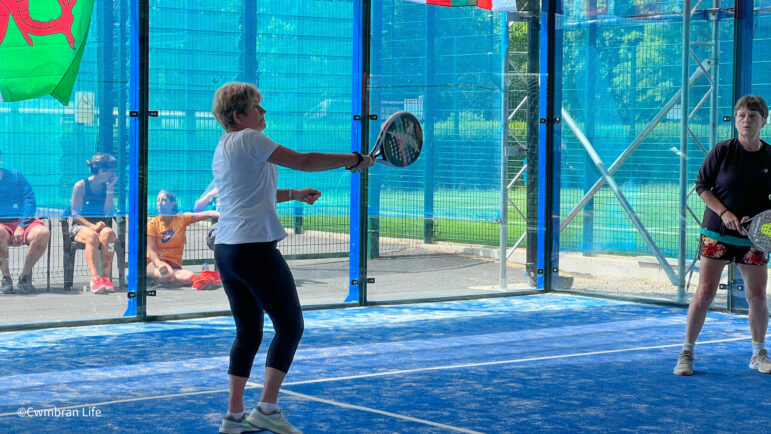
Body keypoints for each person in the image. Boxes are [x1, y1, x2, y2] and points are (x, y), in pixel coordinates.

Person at [213, 82, 373, 434]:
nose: (263, 112)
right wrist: (355, 159)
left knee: (249, 333)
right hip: (254, 249)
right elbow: (303, 160)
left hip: (227, 251)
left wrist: (294, 194)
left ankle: (234, 417)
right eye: (257, 107)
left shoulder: (225, 145)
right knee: (290, 326)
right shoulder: (250, 139)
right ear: (240, 116)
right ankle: (267, 409)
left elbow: (250, 194)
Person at [674, 95, 771, 376]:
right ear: (736, 120)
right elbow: (702, 186)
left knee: (757, 297)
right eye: (741, 115)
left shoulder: (769, 156)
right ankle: (687, 352)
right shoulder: (722, 151)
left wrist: (758, 219)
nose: (746, 120)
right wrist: (725, 213)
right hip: (717, 232)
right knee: (705, 292)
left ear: (763, 121)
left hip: (754, 238)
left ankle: (758, 354)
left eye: (753, 116)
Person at [0, 150, 51, 294]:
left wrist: (21, 226)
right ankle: (6, 278)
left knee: (42, 232)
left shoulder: (16, 175)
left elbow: (29, 199)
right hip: (2, 226)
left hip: (23, 222)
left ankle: (25, 277)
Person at [69, 152, 118, 294]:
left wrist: (110, 190)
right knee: (92, 236)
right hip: (80, 227)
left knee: (109, 233)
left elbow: (109, 212)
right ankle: (95, 279)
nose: (113, 173)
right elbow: (75, 214)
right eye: (111, 170)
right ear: (102, 171)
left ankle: (106, 278)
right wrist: (91, 226)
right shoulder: (80, 185)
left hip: (101, 227)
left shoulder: (108, 186)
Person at [147, 189, 218, 286]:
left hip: (174, 265)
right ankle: (141, 274)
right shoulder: (151, 225)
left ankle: (160, 280)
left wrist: (222, 214)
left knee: (189, 276)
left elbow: (208, 214)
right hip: (154, 263)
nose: (160, 203)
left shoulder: (181, 219)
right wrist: (160, 265)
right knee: (168, 273)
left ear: (173, 203)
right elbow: (152, 252)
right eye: (158, 200)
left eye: (163, 200)